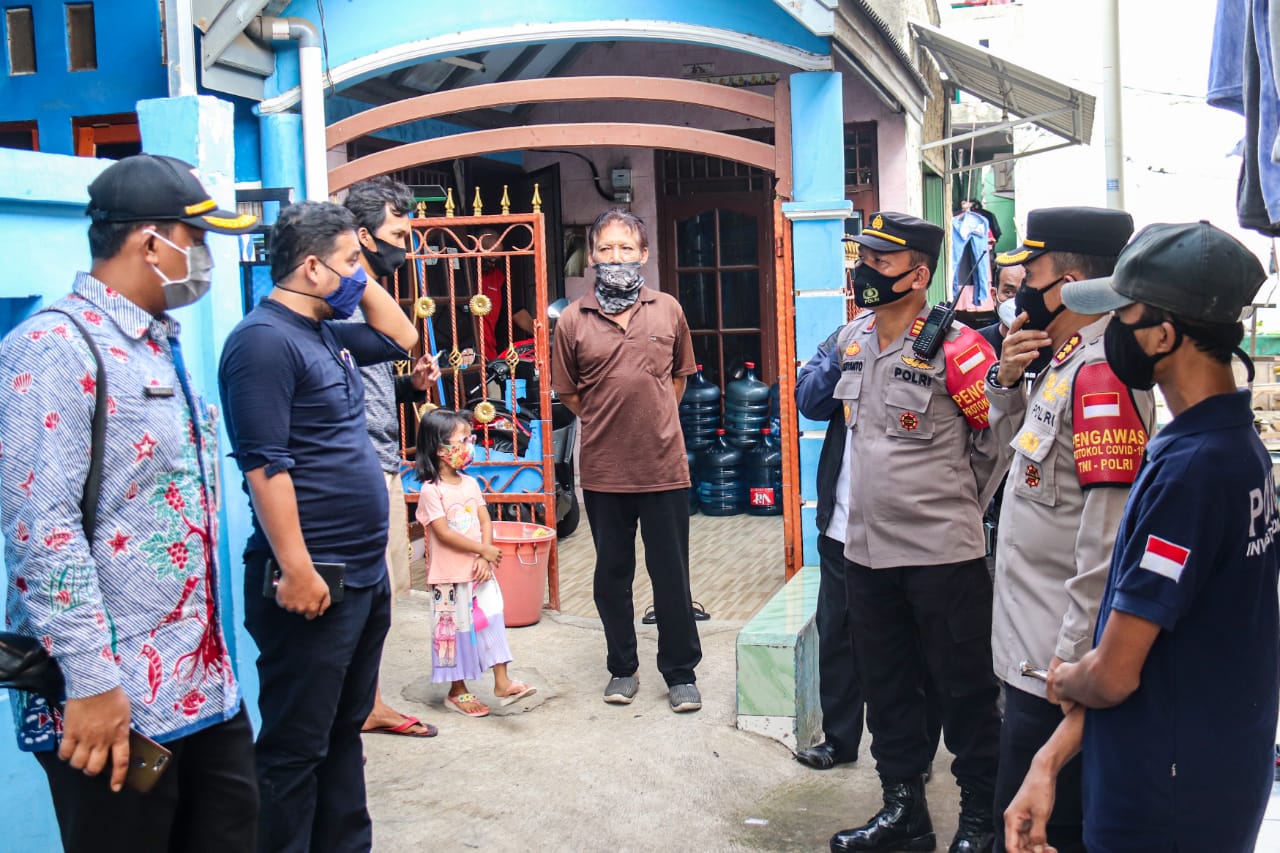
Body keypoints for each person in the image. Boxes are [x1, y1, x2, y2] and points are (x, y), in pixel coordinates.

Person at [0, 153, 259, 851]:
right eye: (196, 238)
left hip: (201, 686)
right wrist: (90, 684)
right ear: (152, 242)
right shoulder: (54, 347)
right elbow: (39, 526)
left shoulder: (156, 345)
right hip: (112, 704)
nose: (202, 258)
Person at [1004, 221, 1279, 853]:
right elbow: (1155, 648)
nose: (1113, 331)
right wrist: (1048, 762)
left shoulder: (1191, 471)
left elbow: (1117, 674)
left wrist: (1065, 678)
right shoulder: (1233, 448)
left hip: (1166, 792)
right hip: (1210, 764)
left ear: (1163, 333)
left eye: (1123, 313)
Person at [799, 211, 1011, 853]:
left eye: (880, 261)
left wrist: (953, 507)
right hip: (864, 554)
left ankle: (979, 819)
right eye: (862, 257)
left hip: (941, 555)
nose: (863, 270)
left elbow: (996, 442)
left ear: (917, 275)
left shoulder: (960, 348)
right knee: (887, 686)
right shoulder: (853, 339)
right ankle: (903, 814)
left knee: (963, 689)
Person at [218, 200, 419, 852]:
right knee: (295, 748)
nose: (364, 274)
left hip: (359, 577)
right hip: (314, 581)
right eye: (352, 262)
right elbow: (264, 465)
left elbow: (401, 340)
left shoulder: (324, 333)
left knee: (342, 733)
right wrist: (298, 568)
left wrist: (356, 277)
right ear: (310, 266)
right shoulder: (262, 343)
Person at [983, 207, 1150, 853]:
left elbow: (1108, 538)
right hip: (1030, 653)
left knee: (1037, 830)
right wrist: (1005, 380)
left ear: (1073, 280)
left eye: (1032, 272)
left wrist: (1075, 659)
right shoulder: (1063, 360)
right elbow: (1010, 462)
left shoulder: (1103, 371)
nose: (1020, 285)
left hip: (1057, 663)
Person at [550, 208, 703, 713]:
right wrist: (608, 418)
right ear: (592, 256)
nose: (616, 257)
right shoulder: (573, 319)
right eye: (606, 249)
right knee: (612, 574)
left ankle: (680, 672)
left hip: (663, 467)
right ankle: (623, 667)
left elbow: (678, 380)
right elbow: (570, 393)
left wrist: (652, 418)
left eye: (626, 248)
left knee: (671, 574)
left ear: (644, 253)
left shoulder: (668, 310)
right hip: (604, 471)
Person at [343, 176, 442, 739]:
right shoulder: (348, 302)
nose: (406, 247)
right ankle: (364, 704)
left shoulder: (366, 301)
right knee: (367, 597)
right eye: (398, 234)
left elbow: (370, 375)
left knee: (379, 597)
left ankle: (367, 699)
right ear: (362, 236)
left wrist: (410, 389)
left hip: (382, 458)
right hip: (360, 468)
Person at [414, 408, 538, 717]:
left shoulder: (470, 484)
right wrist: (483, 551)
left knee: (493, 619)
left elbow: (484, 520)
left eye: (470, 438)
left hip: (479, 572)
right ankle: (457, 690)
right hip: (448, 578)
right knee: (452, 633)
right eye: (463, 439)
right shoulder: (431, 491)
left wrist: (485, 552)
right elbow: (442, 533)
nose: (470, 445)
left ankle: (502, 681)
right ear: (441, 448)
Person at [794, 322, 864, 770]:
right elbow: (810, 400)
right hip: (841, 523)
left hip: (907, 534)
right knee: (836, 636)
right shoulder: (845, 338)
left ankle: (909, 752)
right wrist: (844, 353)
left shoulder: (935, 338)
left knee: (905, 642)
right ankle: (839, 739)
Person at [476, 227, 534, 365]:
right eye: (489, 259)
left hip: (488, 353)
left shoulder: (498, 278)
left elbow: (515, 310)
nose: (493, 264)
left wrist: (538, 331)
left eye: (497, 260)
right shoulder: (461, 276)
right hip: (461, 351)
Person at [976, 263, 1025, 355]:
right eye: (1009, 292)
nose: (1017, 301)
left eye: (1025, 292)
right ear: (994, 296)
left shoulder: (1052, 345)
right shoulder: (975, 344)